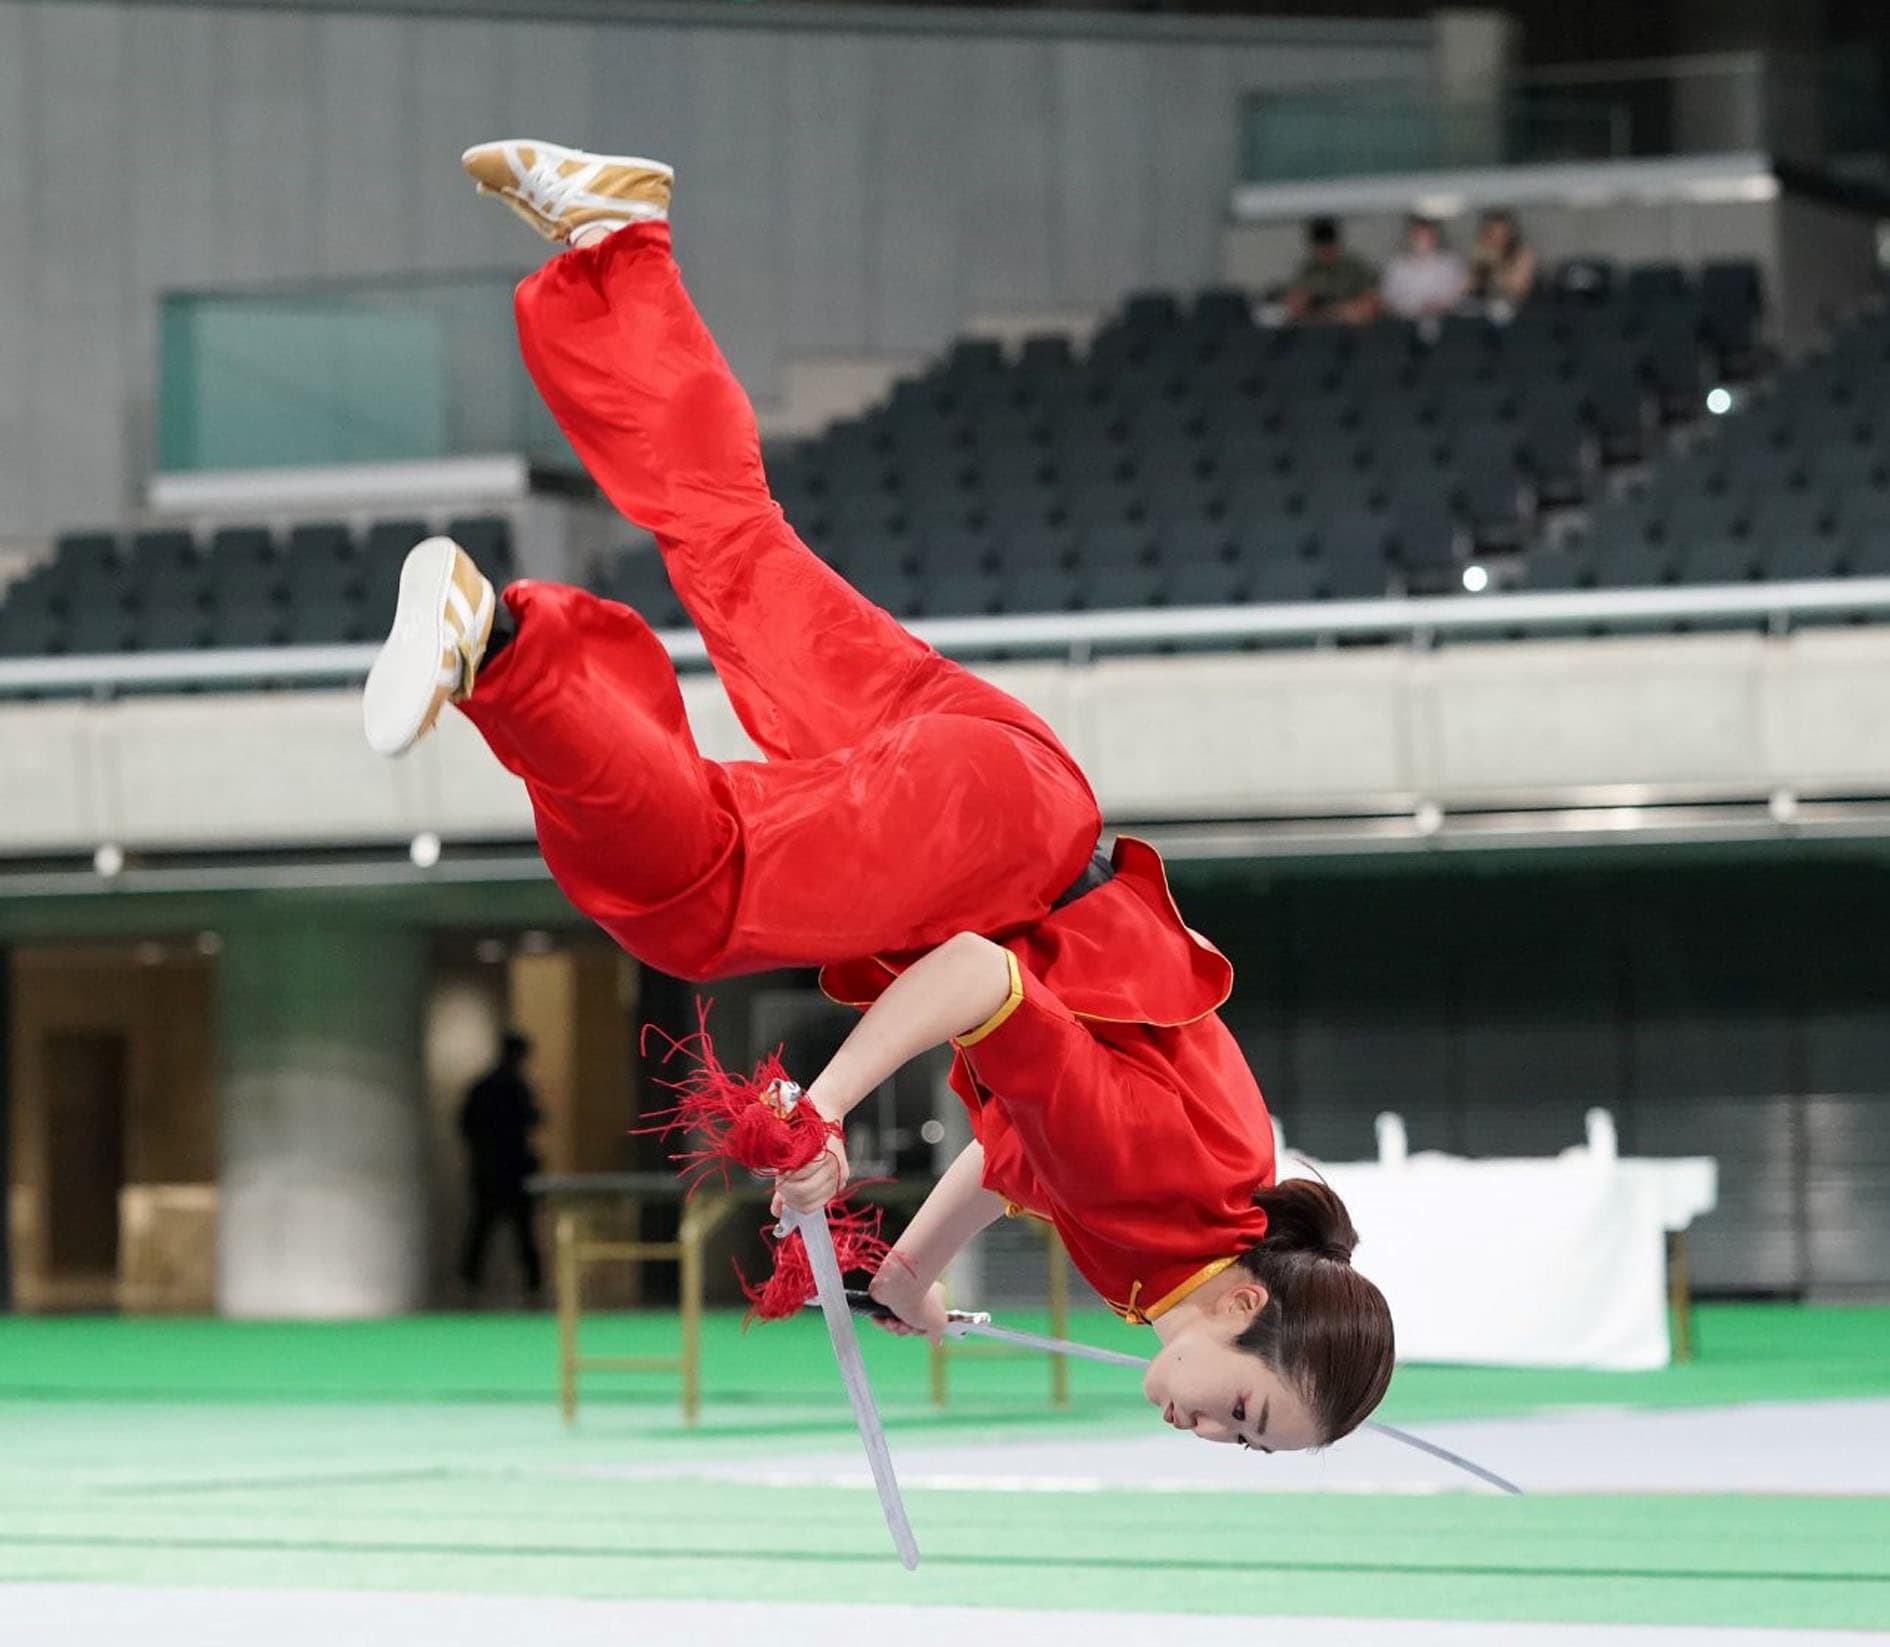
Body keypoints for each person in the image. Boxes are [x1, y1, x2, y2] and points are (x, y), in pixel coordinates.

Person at [364, 137, 1395, 1453]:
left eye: (1246, 1443)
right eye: (1248, 1411)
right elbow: (977, 977)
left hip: (1004, 782)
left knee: (729, 543)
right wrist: (825, 1109)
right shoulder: (1164, 1196)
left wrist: (907, 1262)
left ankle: (618, 241)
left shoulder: (1181, 1240)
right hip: (992, 846)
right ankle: (501, 648)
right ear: (1249, 1303)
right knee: (701, 904)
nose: (1214, 1430)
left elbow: (1020, 1140)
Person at [456, 1031, 545, 1297]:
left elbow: (466, 1125)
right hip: (508, 1168)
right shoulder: (513, 1087)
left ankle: (471, 1281)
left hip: (492, 1168)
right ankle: (531, 1284)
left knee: (489, 1227)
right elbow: (535, 1118)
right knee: (512, 1229)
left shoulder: (486, 1086)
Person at [1281, 216, 1381, 327]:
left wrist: (1345, 311)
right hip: (1317, 326)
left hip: (1352, 326)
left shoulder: (1353, 267)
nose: (1326, 251)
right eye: (1321, 247)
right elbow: (1294, 305)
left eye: (1329, 245)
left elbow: (1371, 300)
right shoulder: (1307, 271)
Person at [1381, 214, 1470, 322]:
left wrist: (1439, 304)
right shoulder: (1397, 265)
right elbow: (1388, 297)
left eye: (1428, 236)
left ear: (1436, 237)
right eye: (1419, 236)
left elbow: (1460, 293)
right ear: (1411, 237)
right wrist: (1412, 306)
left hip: (1446, 319)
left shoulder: (1450, 263)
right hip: (1405, 321)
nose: (1423, 241)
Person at [1467, 209, 1537, 315]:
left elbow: (1517, 289)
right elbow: (1471, 285)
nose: (1498, 237)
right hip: (1484, 304)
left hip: (1519, 306)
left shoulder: (1522, 253)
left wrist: (1494, 262)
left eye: (1503, 232)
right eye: (1493, 232)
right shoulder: (1481, 251)